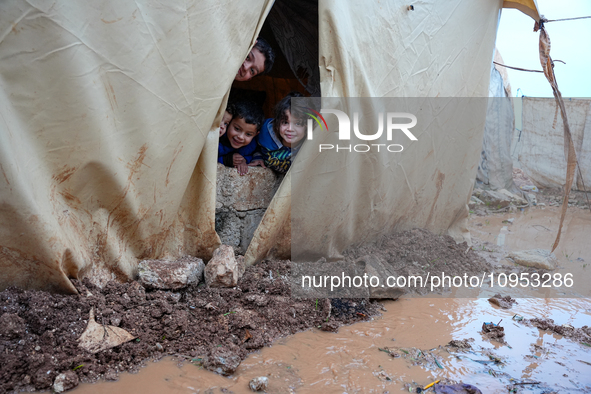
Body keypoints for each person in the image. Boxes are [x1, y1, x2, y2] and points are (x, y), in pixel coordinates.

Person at [251, 92, 308, 174]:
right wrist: (257, 157)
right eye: (285, 122)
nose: (290, 129)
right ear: (277, 123)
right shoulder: (266, 132)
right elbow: (250, 143)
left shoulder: (310, 146)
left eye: (298, 123)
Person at [218, 100, 264, 175]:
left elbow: (252, 154)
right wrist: (226, 160)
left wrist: (243, 160)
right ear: (229, 122)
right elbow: (206, 158)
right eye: (237, 128)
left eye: (248, 134)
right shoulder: (219, 138)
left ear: (255, 135)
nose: (241, 137)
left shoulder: (252, 145)